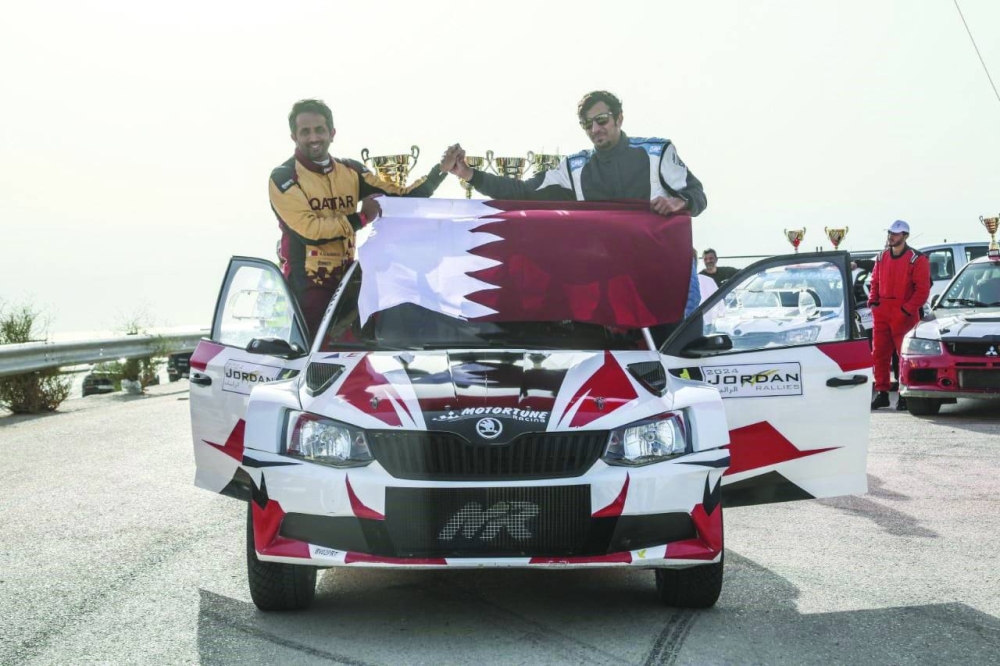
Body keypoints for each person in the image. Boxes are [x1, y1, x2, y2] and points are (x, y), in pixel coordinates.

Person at [448, 90, 706, 330]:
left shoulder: (657, 152)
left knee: (680, 356)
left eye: (602, 120)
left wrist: (680, 202)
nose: (595, 129)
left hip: (667, 274)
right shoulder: (574, 168)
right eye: (587, 124)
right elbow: (523, 193)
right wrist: (468, 174)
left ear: (619, 119)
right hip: (615, 285)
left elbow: (698, 196)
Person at [269, 99, 461, 338]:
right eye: (305, 132)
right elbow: (309, 231)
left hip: (349, 279)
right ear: (294, 137)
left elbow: (400, 198)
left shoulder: (351, 170)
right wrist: (362, 217)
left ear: (332, 133)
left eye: (319, 130)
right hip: (307, 284)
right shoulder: (283, 177)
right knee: (314, 356)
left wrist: (440, 171)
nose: (313, 137)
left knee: (356, 352)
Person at [867, 220, 931, 411]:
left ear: (905, 236)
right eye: (890, 233)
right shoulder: (881, 257)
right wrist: (873, 302)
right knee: (879, 355)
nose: (891, 236)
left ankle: (904, 394)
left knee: (903, 357)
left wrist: (907, 309)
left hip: (904, 314)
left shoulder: (917, 259)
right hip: (883, 313)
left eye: (896, 233)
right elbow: (874, 283)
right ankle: (882, 393)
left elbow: (922, 290)